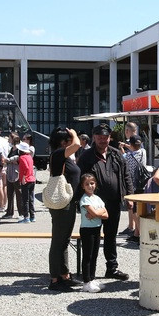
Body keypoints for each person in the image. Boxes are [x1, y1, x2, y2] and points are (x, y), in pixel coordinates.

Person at [75, 124, 131, 281]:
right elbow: (79, 180)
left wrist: (129, 197)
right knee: (92, 237)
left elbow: (126, 175)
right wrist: (81, 203)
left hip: (113, 202)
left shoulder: (116, 154)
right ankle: (89, 274)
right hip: (94, 204)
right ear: (93, 137)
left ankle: (112, 268)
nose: (102, 140)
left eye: (105, 137)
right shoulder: (86, 156)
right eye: (99, 137)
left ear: (109, 137)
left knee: (111, 236)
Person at [47, 127, 82, 291]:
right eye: (68, 140)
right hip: (62, 204)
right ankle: (55, 279)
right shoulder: (58, 154)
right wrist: (74, 134)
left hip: (68, 203)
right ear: (63, 142)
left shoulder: (62, 156)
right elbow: (77, 144)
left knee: (64, 241)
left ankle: (64, 275)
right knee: (58, 242)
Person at [78, 173, 109, 293]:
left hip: (97, 228)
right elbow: (96, 213)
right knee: (88, 255)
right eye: (87, 184)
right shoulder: (85, 199)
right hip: (87, 229)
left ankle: (92, 278)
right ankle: (86, 281)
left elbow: (106, 215)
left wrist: (96, 213)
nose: (90, 186)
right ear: (83, 186)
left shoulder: (97, 198)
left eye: (92, 183)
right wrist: (97, 213)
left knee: (95, 254)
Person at [14, 142, 36, 223]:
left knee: (25, 199)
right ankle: (32, 216)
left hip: (26, 180)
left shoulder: (22, 158)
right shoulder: (29, 156)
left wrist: (23, 178)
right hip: (32, 179)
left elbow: (26, 168)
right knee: (30, 199)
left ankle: (26, 217)